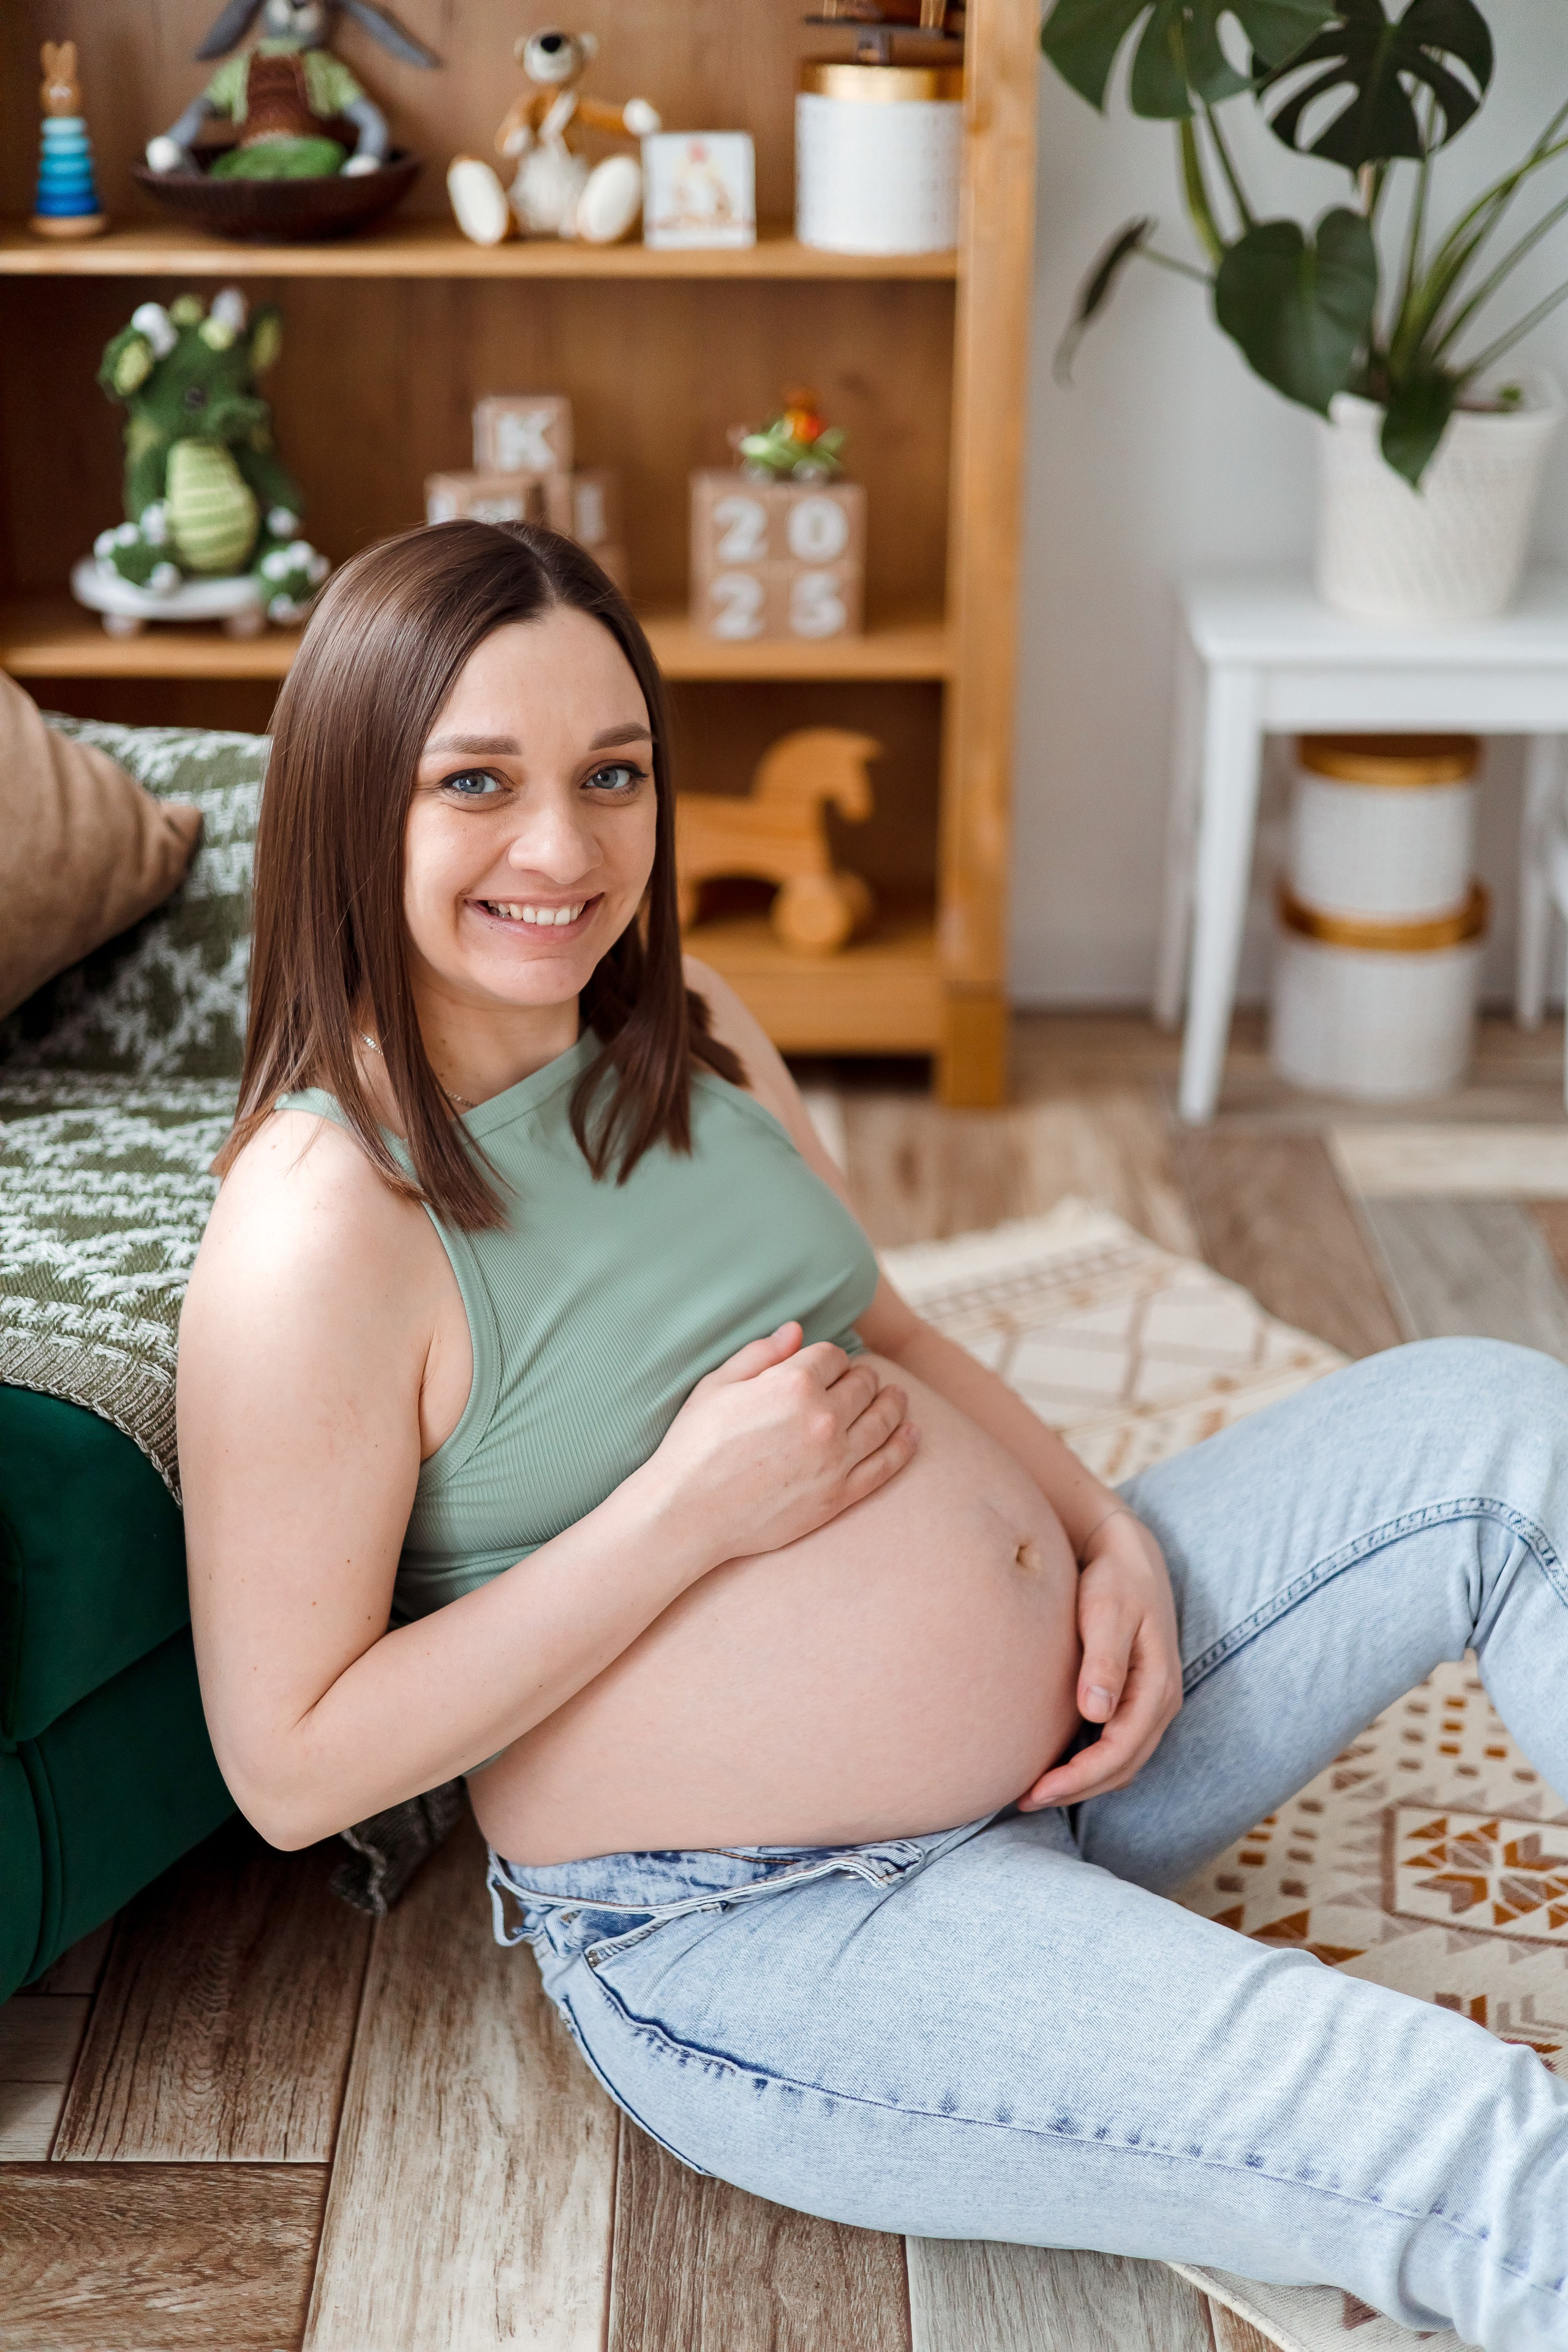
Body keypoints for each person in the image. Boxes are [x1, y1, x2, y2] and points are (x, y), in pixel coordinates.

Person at [179, 521, 1568, 2351]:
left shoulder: (686, 1027)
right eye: (476, 784)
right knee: (1468, 2137)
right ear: (356, 811)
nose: (564, 849)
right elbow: (292, 1767)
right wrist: (681, 1515)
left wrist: (1099, 1530)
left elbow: (885, 1325)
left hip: (1081, 1740)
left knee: (1496, 1427)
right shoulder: (320, 1234)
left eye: (614, 775)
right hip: (774, 1928)